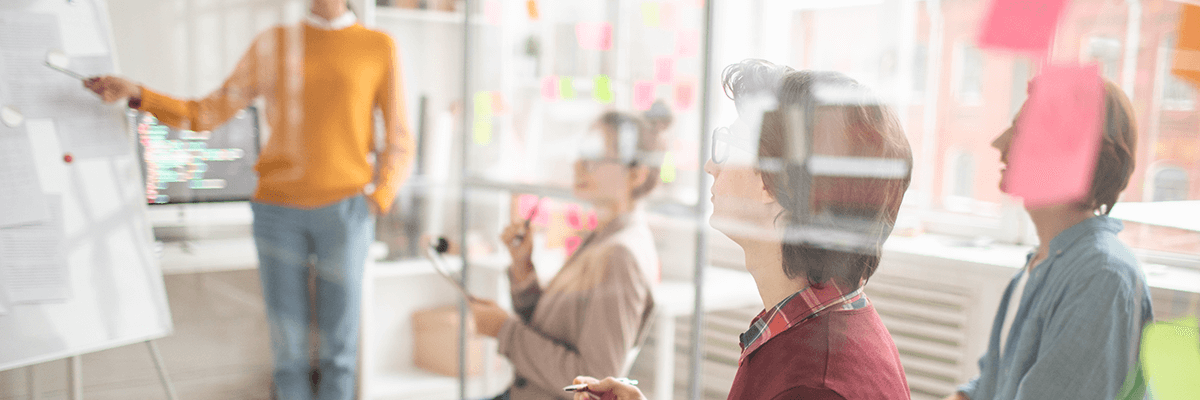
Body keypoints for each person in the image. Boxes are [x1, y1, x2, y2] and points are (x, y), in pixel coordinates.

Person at [83, 1, 414, 399]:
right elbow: (205, 114)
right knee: (288, 351)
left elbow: (399, 139)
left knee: (338, 351)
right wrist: (139, 94)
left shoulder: (378, 46)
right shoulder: (274, 43)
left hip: (345, 213)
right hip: (277, 213)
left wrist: (380, 197)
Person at [576, 59, 914, 399]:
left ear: (773, 180)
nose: (711, 166)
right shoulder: (819, 326)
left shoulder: (812, 385)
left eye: (730, 145)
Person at [945, 78, 1153, 400]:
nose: (999, 143)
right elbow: (996, 383)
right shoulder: (1044, 261)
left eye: (1020, 130)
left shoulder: (1101, 276)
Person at [468, 111, 664, 400]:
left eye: (594, 157)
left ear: (636, 174)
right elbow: (555, 333)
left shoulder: (621, 254)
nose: (577, 165)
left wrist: (504, 331)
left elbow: (594, 382)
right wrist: (524, 271)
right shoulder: (604, 237)